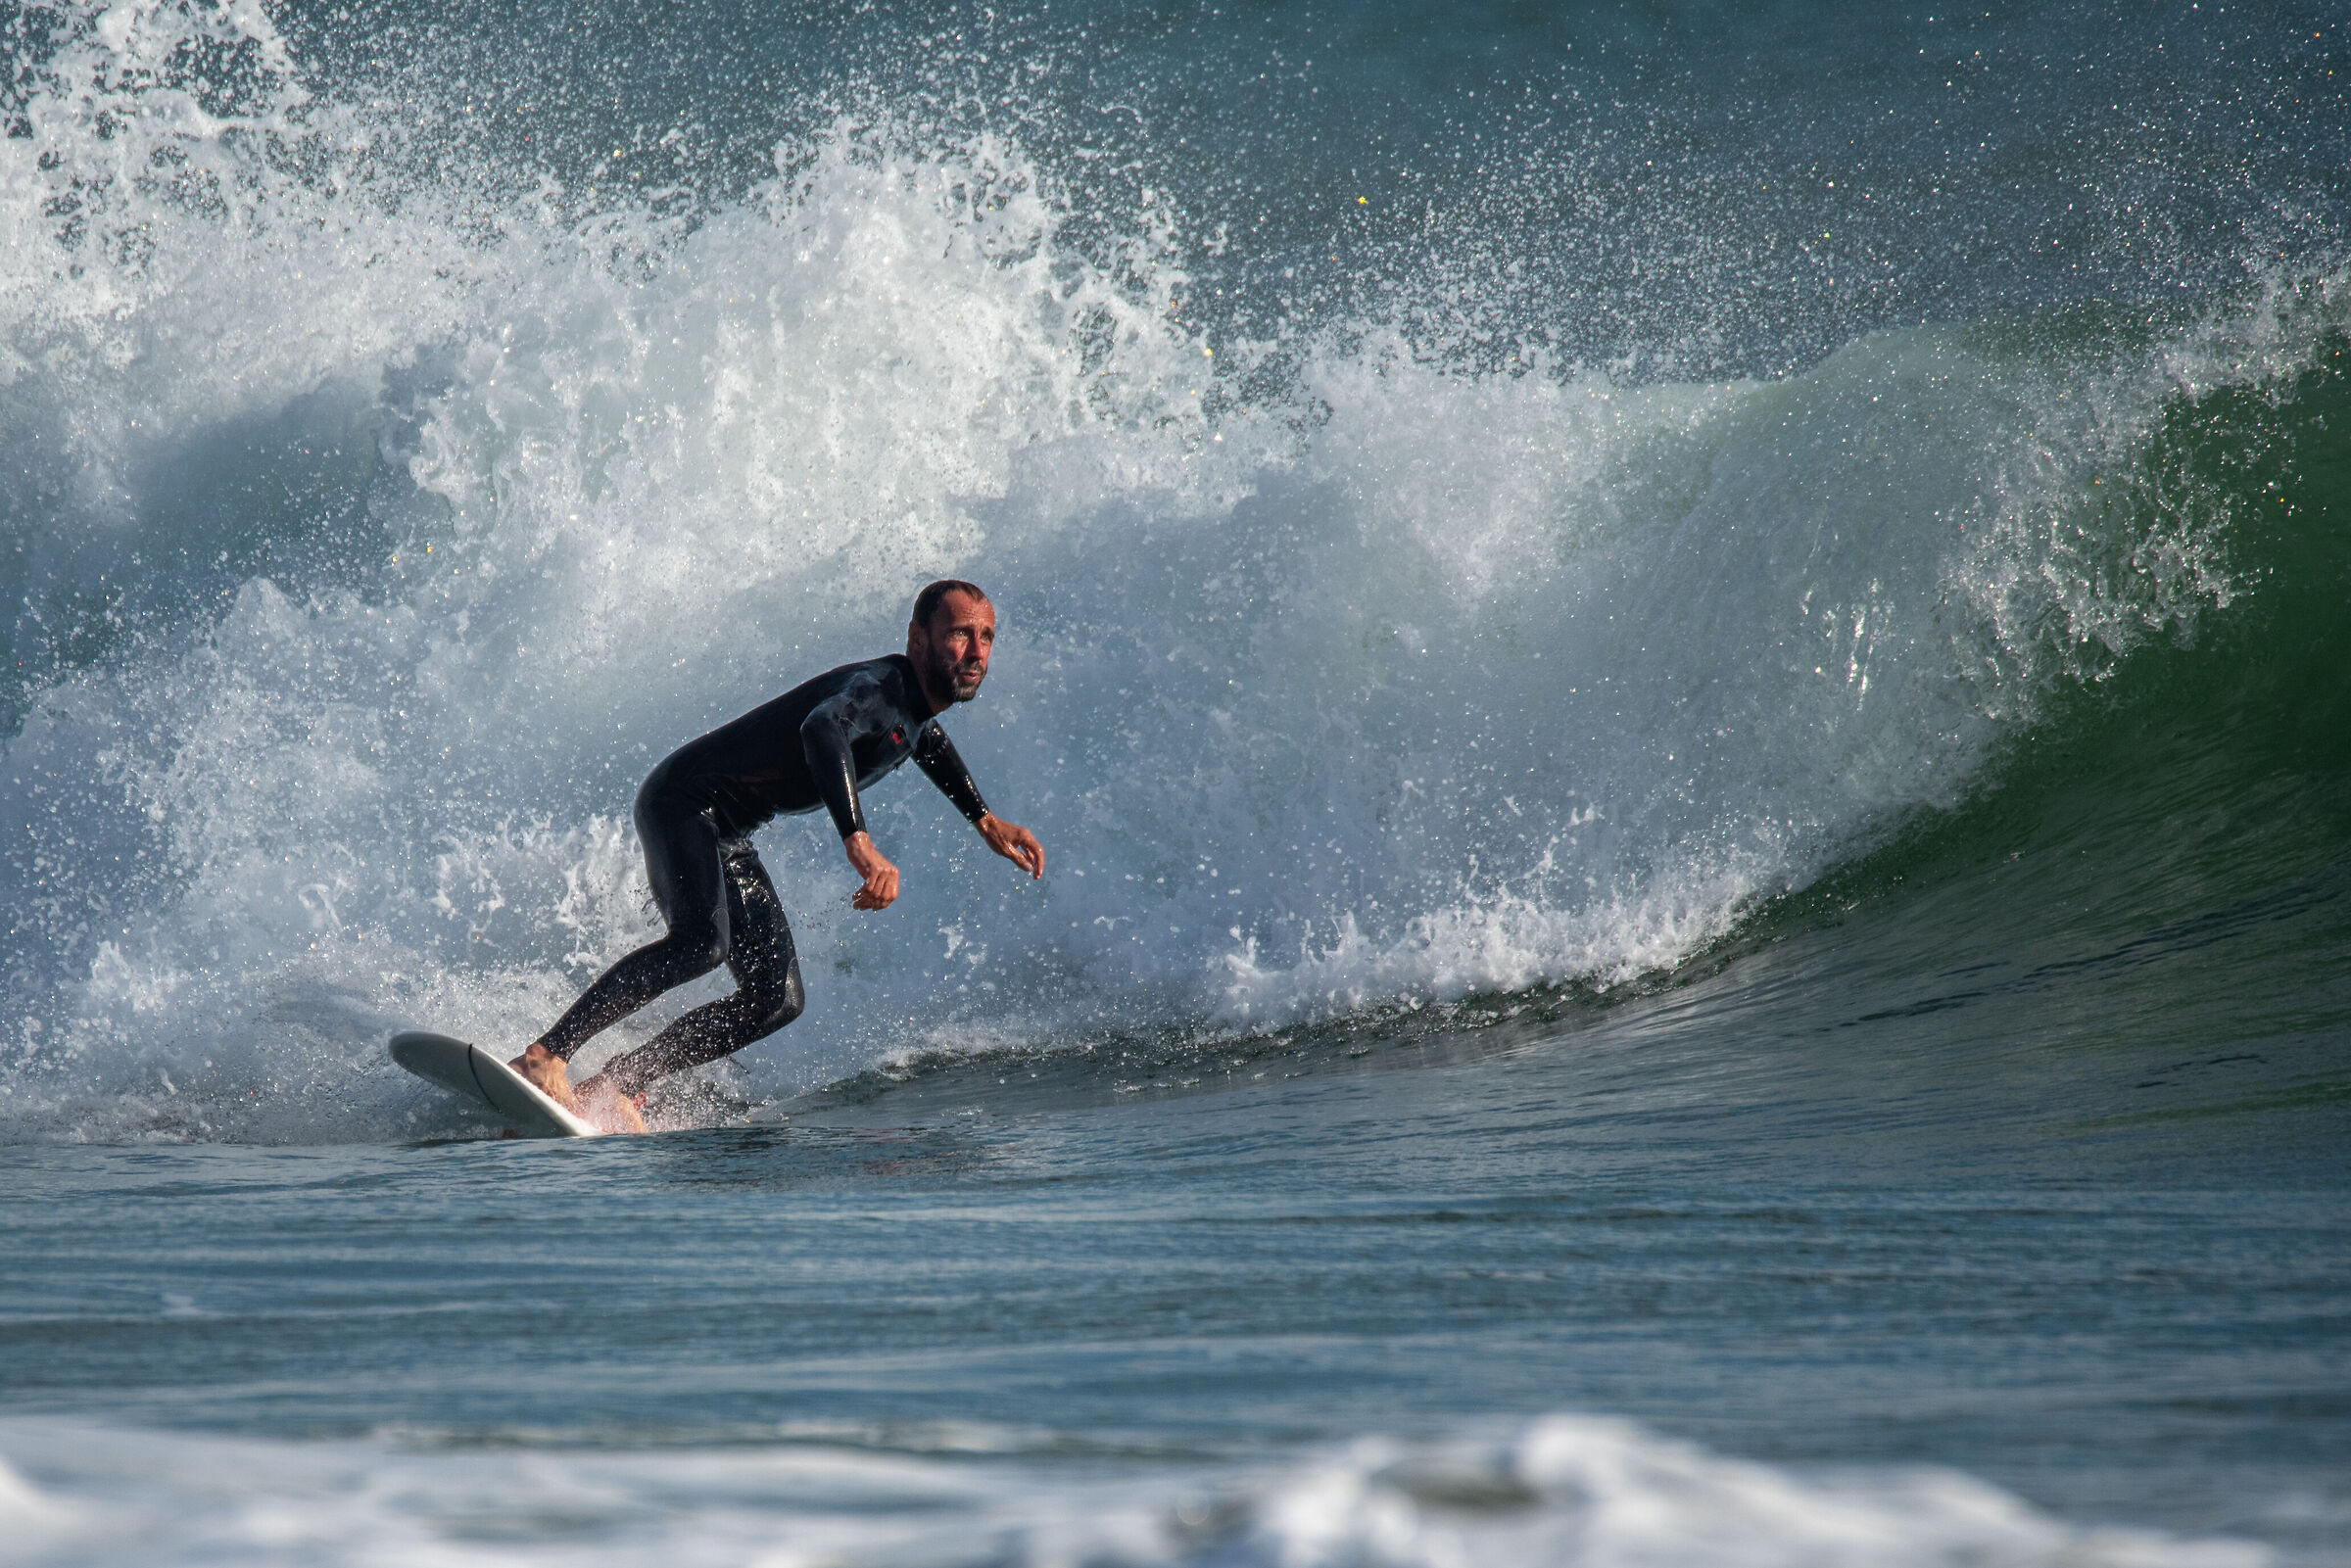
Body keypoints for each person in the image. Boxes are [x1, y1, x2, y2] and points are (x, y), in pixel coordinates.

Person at [511, 580, 1044, 1132]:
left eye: (986, 637)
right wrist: (856, 838)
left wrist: (983, 818)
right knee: (701, 944)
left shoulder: (910, 711)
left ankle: (619, 1082)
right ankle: (545, 1056)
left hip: (727, 830)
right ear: (917, 639)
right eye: (960, 633)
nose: (977, 651)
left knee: (776, 998)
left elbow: (923, 739)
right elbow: (822, 727)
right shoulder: (877, 689)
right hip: (684, 802)